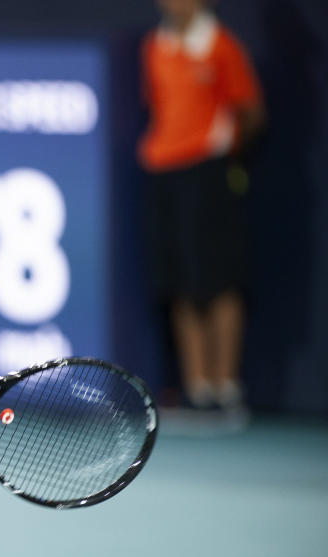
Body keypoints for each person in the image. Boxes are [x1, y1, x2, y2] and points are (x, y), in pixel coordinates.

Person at [138, 0, 265, 411]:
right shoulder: (155, 46)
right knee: (179, 280)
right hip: (165, 173)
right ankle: (197, 389)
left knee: (220, 278)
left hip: (209, 173)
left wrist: (222, 153)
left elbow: (249, 111)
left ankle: (225, 388)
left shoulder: (222, 47)